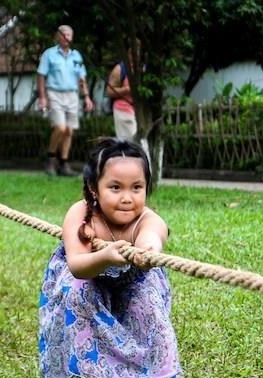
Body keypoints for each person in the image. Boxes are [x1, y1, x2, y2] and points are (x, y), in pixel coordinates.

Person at [39, 138, 182, 377]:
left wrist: (147, 250)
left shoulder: (145, 218)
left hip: (133, 280)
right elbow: (77, 266)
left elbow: (153, 236)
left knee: (148, 302)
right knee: (77, 293)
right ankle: (85, 371)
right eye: (116, 187)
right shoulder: (81, 213)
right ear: (94, 187)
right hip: (87, 275)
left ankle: (156, 371)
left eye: (136, 187)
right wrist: (105, 257)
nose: (127, 197)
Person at [37, 25, 94, 177]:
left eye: (70, 35)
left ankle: (64, 163)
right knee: (60, 128)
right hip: (54, 93)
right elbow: (41, 76)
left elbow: (82, 78)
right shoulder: (49, 54)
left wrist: (87, 96)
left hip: (72, 95)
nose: (67, 37)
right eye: (65, 34)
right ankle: (50, 159)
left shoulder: (77, 56)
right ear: (58, 36)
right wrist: (42, 97)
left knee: (69, 130)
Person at [107, 39, 142, 140]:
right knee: (130, 144)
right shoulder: (120, 69)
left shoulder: (141, 68)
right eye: (135, 49)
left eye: (139, 49)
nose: (138, 53)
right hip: (124, 108)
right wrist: (127, 89)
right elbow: (109, 91)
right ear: (129, 51)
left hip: (139, 112)